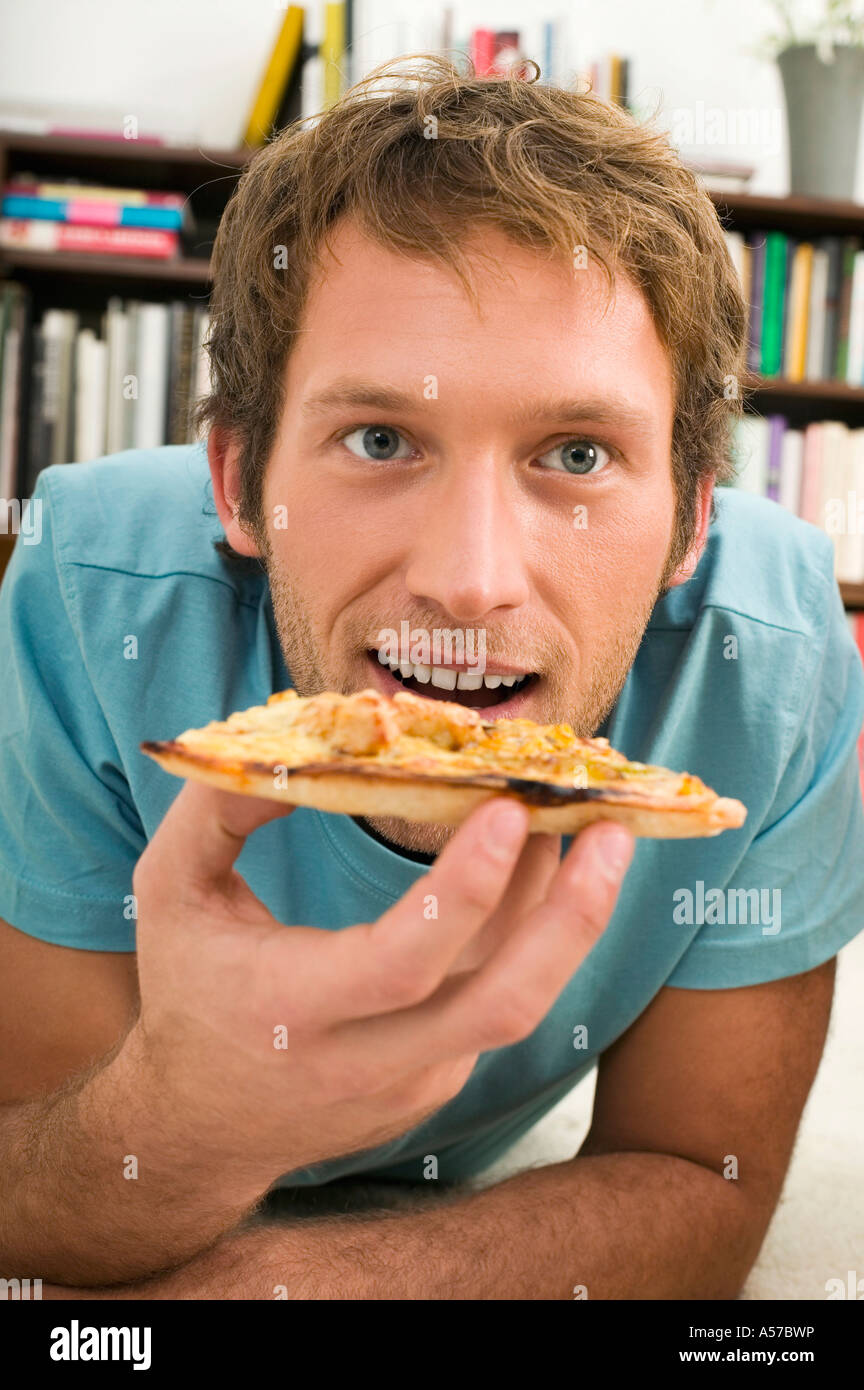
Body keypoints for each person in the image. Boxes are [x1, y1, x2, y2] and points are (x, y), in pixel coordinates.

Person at [0, 56, 860, 1300]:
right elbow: (35, 1194)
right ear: (238, 482)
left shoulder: (774, 657)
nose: (470, 583)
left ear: (688, 525)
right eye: (380, 439)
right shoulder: (84, 590)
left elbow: (696, 1174)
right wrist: (183, 1114)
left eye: (576, 452)